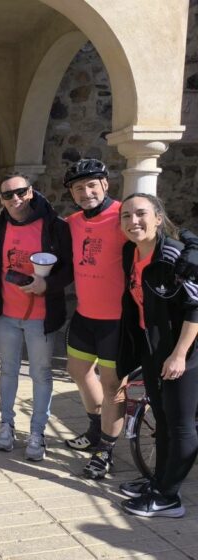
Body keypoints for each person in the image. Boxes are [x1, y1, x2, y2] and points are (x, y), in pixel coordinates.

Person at [116, 193, 198, 518]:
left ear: (158, 218)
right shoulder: (132, 253)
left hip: (185, 352)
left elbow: (196, 307)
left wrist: (179, 355)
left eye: (140, 214)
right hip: (156, 349)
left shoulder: (173, 258)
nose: (133, 221)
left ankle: (169, 498)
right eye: (126, 216)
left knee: (180, 425)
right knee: (162, 420)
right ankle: (159, 481)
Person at [0, 173, 72, 461]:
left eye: (20, 192)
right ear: (1, 200)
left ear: (30, 192)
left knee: (40, 374)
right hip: (7, 315)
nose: (15, 199)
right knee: (7, 371)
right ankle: (6, 425)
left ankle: (37, 432)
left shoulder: (54, 226)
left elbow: (69, 270)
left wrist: (47, 285)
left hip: (41, 316)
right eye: (7, 195)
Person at [62, 159, 128, 479]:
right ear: (73, 195)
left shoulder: (123, 216)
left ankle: (105, 450)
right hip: (85, 314)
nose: (86, 192)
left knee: (113, 385)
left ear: (105, 185)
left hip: (117, 319)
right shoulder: (73, 221)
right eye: (78, 188)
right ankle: (94, 430)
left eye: (91, 185)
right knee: (77, 371)